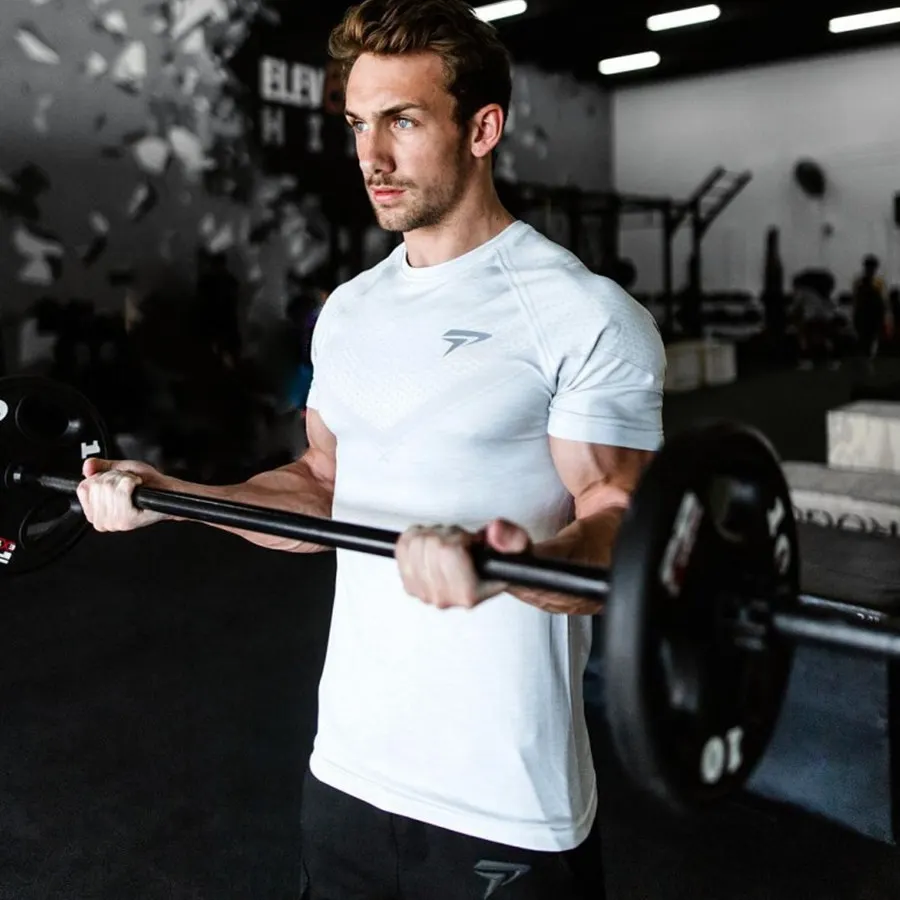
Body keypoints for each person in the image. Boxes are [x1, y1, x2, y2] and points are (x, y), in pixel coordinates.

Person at [75, 0, 666, 897]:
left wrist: (505, 566)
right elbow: (323, 482)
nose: (371, 157)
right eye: (357, 124)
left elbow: (621, 527)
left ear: (482, 129)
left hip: (504, 799)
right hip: (348, 771)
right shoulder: (349, 311)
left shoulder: (582, 315)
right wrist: (171, 492)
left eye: (403, 121)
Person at [851, 254, 892, 370]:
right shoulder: (862, 282)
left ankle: (866, 364)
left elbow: (883, 302)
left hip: (872, 317)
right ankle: (864, 365)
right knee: (865, 342)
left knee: (869, 341)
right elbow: (856, 301)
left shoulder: (877, 282)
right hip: (864, 316)